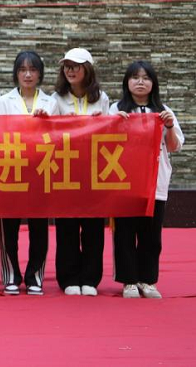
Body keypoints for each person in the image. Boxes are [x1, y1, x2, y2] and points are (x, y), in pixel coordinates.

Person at [109, 61, 183, 299]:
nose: (140, 82)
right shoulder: (116, 109)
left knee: (151, 235)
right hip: (124, 182)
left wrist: (169, 126)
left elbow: (174, 146)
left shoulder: (163, 110)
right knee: (124, 233)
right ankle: (129, 281)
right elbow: (104, 144)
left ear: (153, 83)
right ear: (127, 82)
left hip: (155, 182)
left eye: (146, 77)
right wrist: (113, 124)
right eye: (135, 77)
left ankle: (147, 280)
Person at [0, 51, 57, 296]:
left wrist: (47, 122)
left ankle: (35, 276)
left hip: (41, 169)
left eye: (32, 70)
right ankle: (11, 275)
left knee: (39, 226)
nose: (28, 75)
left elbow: (61, 136)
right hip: (11, 168)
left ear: (40, 73)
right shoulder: (4, 100)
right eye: (23, 70)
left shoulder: (51, 102)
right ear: (16, 73)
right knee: (8, 226)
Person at [52, 47, 111, 296]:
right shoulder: (56, 99)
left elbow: (111, 135)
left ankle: (90, 278)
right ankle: (68, 278)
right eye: (67, 67)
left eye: (75, 66)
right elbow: (48, 134)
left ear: (87, 69)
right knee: (66, 226)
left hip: (93, 172)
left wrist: (103, 122)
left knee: (93, 227)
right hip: (65, 172)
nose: (70, 71)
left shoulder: (101, 98)